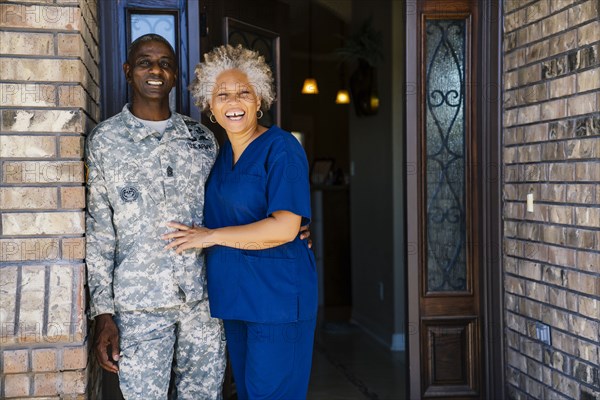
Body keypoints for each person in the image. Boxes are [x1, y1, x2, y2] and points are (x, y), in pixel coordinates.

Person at [162, 44, 318, 400]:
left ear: (259, 98)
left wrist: (210, 236)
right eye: (223, 94)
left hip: (276, 298)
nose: (234, 102)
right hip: (235, 297)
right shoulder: (218, 158)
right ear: (211, 106)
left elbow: (284, 227)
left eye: (243, 92)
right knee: (249, 393)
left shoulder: (282, 149)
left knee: (272, 394)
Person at [85, 34, 226, 399]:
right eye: (145, 62)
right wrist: (103, 313)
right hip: (138, 307)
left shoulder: (202, 139)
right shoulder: (105, 141)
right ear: (128, 71)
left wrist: (286, 223)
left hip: (204, 302)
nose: (155, 70)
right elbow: (100, 232)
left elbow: (230, 203)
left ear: (175, 76)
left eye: (165, 63)